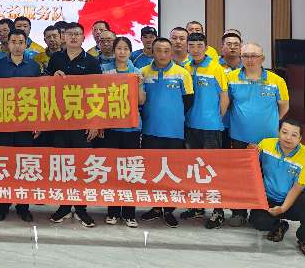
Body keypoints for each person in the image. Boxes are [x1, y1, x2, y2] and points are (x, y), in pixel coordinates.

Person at [226, 42, 289, 226]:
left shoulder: (277, 81)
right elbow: (227, 103)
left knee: (264, 176)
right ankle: (238, 212)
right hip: (239, 137)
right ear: (241, 58)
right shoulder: (230, 78)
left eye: (254, 56)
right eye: (245, 56)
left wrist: (269, 123)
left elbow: (284, 107)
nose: (249, 60)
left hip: (268, 140)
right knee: (239, 177)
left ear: (263, 58)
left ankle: (259, 211)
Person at [44, 22, 101, 228]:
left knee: (82, 164)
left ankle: (82, 207)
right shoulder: (56, 59)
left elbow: (97, 93)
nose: (74, 37)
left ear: (83, 38)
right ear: (64, 37)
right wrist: (52, 77)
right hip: (60, 120)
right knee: (62, 164)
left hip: (82, 122)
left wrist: (95, 123)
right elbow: (45, 87)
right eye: (70, 34)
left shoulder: (92, 62)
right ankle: (65, 205)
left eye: (77, 34)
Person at [139, 37, 194, 228]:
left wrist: (173, 115)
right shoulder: (142, 72)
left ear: (171, 52)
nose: (162, 54)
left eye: (166, 51)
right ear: (152, 52)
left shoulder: (182, 73)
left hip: (174, 131)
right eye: (158, 50)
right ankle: (156, 207)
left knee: (172, 172)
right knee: (153, 170)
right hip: (150, 130)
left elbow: (188, 100)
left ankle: (169, 209)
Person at [0, 28, 41, 222]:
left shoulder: (34, 67)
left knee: (24, 164)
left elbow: (40, 96)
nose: (17, 46)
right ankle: (2, 206)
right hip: (3, 122)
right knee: (3, 163)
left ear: (26, 44)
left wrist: (38, 122)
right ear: (8, 44)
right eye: (14, 42)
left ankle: (23, 206)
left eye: (21, 42)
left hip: (25, 123)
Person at [94, 36, 145, 227]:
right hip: (111, 127)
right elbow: (98, 99)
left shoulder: (137, 72)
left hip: (131, 127)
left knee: (130, 169)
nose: (122, 52)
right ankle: (113, 211)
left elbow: (141, 101)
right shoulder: (105, 71)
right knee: (113, 170)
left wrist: (138, 84)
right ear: (113, 51)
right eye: (119, 48)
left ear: (130, 52)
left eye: (125, 49)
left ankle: (130, 213)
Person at [250, 119, 305, 258]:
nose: (288, 138)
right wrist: (250, 151)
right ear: (278, 132)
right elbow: (251, 163)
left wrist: (282, 208)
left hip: (293, 200)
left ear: (300, 138)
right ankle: (279, 225)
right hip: (268, 198)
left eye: (294, 135)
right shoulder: (265, 145)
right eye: (285, 132)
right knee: (258, 221)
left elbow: (297, 188)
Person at [180, 32, 229, 228]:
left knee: (212, 170)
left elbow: (224, 97)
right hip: (190, 126)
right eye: (191, 46)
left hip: (211, 128)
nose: (195, 49)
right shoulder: (185, 67)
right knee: (194, 170)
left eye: (199, 45)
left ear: (206, 47)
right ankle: (197, 207)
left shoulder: (216, 68)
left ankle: (218, 211)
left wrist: (217, 119)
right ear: (187, 48)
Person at [218, 31, 244, 146]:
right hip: (221, 120)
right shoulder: (214, 66)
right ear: (222, 47)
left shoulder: (248, 66)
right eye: (228, 44)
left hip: (242, 120)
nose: (232, 47)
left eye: (236, 44)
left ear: (241, 47)